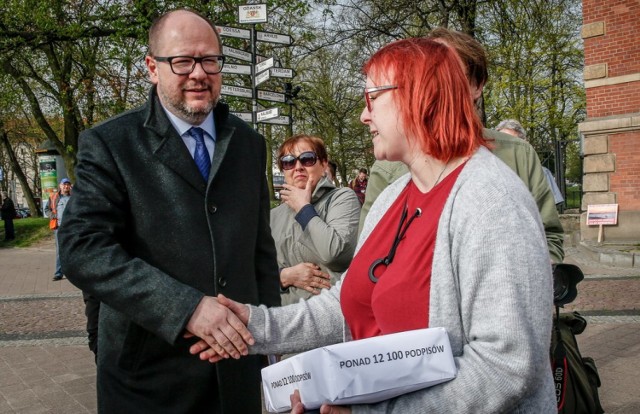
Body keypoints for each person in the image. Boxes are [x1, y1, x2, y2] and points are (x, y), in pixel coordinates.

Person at [195, 38, 555, 413]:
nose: (363, 116)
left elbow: (507, 367)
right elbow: (345, 304)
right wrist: (252, 325)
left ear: (418, 97)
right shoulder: (393, 196)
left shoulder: (491, 200)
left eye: (372, 99)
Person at [58, 9, 280, 413]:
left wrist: (276, 345)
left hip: (236, 377)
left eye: (210, 60)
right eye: (182, 61)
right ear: (151, 67)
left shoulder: (249, 144)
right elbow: (82, 248)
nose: (199, 73)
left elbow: (260, 257)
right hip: (148, 382)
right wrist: (186, 308)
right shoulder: (110, 144)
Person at [360, 27, 565, 263]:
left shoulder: (515, 156)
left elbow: (548, 237)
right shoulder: (390, 167)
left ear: (477, 85)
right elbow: (367, 254)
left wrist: (532, 276)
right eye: (430, 76)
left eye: (452, 74)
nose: (440, 86)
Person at [273, 135, 360, 305]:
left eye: (307, 159)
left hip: (327, 312)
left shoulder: (342, 198)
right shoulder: (273, 215)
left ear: (323, 164)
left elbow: (334, 253)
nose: (298, 167)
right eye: (289, 162)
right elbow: (254, 270)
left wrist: (304, 209)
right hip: (281, 316)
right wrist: (283, 275)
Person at [496, 119, 565, 205]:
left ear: (523, 144)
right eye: (502, 141)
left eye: (511, 141)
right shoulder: (489, 174)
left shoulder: (541, 174)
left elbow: (549, 213)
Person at [45, 178, 72, 281]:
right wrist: (52, 215)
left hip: (72, 227)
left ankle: (73, 272)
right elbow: (47, 209)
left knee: (73, 249)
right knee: (60, 250)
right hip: (58, 227)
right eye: (64, 184)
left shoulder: (75, 197)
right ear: (60, 186)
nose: (66, 186)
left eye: (67, 185)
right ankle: (58, 273)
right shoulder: (53, 197)